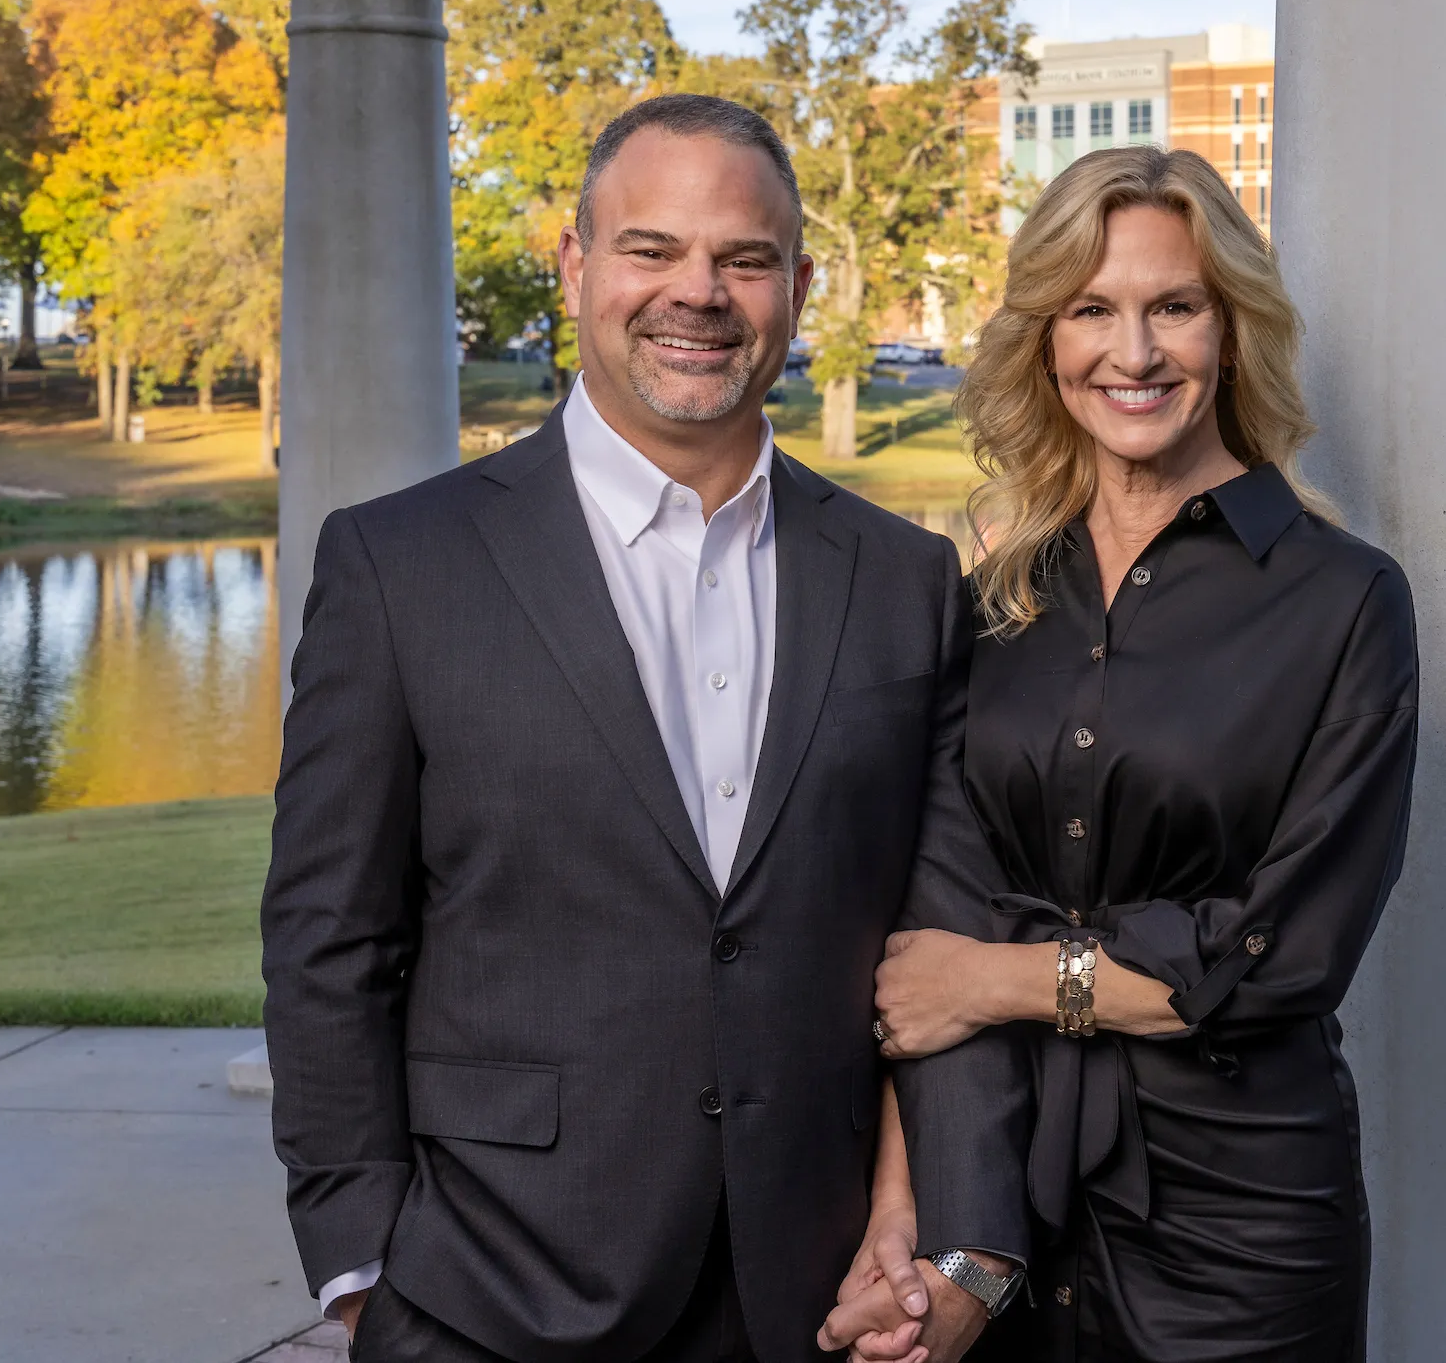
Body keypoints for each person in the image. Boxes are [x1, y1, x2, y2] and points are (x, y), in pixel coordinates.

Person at [261, 93, 1030, 1363]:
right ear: (575, 264)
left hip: (827, 1292)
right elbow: (329, 932)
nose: (698, 292)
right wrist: (364, 1266)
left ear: (799, 281)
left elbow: (944, 937)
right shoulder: (401, 565)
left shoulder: (901, 580)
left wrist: (963, 1244)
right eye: (649, 248)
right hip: (487, 1291)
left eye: (742, 256)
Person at [822, 145, 1417, 1363]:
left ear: (1231, 329)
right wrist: (907, 1210)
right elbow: (929, 927)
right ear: (1043, 340)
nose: (1132, 352)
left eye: (1174, 307)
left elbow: (1283, 952)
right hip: (998, 1211)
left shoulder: (1342, 600)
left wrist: (998, 978)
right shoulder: (991, 600)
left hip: (1244, 1227)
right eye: (1090, 309)